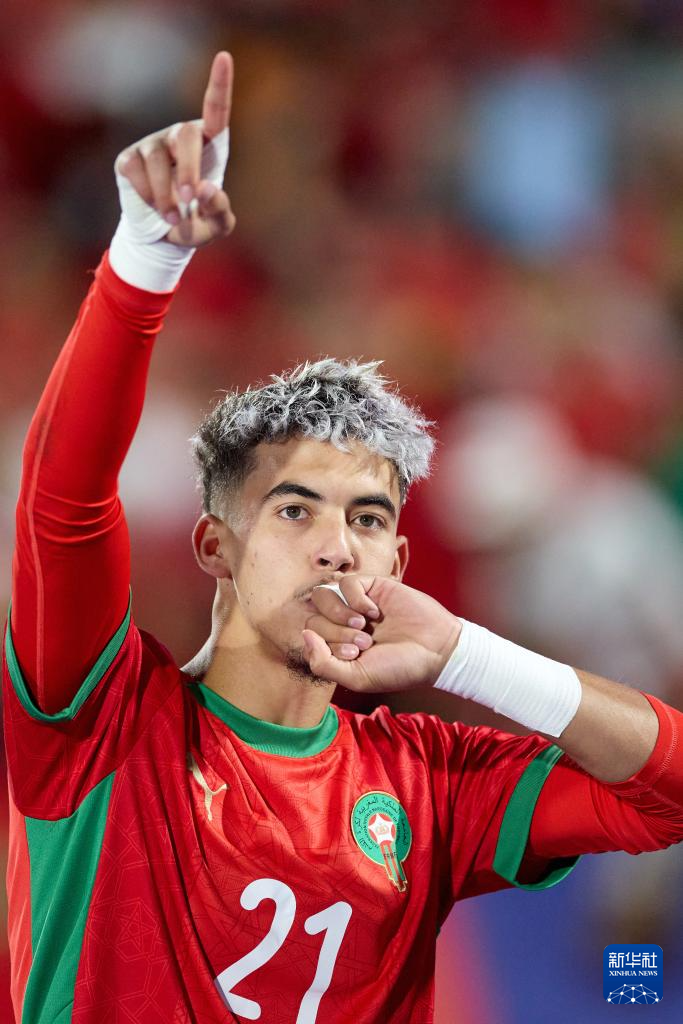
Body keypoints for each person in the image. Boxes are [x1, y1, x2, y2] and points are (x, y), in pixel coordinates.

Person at [3, 51, 683, 1024]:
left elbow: (667, 794)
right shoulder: (100, 724)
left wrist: (465, 654)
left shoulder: (429, 779)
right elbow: (63, 499)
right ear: (214, 546)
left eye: (367, 519)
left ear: (397, 562)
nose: (337, 546)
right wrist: (145, 258)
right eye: (294, 509)